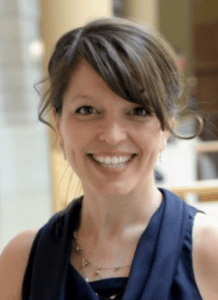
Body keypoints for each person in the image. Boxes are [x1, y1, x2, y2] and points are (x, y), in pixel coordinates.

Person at [0, 17, 218, 300]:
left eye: (138, 111)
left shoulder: (208, 251)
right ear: (58, 124)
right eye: (87, 110)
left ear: (167, 126)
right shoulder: (21, 260)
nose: (113, 136)